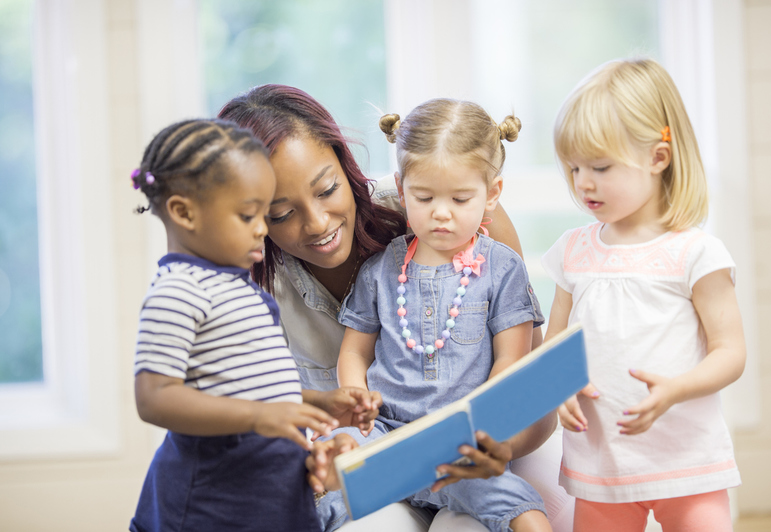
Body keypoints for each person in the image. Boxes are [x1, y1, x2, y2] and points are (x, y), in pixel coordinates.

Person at [218, 86, 573, 532]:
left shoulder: (480, 243)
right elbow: (338, 372)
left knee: (498, 516)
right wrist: (343, 428)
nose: (317, 224)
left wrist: (490, 434)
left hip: (476, 445)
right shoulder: (353, 275)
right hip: (384, 439)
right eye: (282, 213)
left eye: (327, 189)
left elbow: (527, 380)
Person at [129, 118, 378, 532]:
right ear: (183, 212)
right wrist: (259, 417)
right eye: (250, 215)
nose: (263, 230)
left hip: (274, 502)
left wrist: (318, 403)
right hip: (208, 508)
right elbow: (153, 398)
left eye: (267, 214)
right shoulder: (178, 291)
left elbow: (254, 388)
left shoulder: (239, 287)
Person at [327, 98, 551, 532]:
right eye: (424, 197)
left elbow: (513, 360)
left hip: (458, 444)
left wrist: (489, 426)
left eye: (460, 198)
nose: (441, 212)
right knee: (323, 481)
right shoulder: (379, 270)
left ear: (493, 194)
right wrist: (357, 404)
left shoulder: (503, 269)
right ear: (401, 186)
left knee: (525, 514)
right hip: (385, 436)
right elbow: (354, 353)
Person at [542, 58, 746, 532]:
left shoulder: (695, 253)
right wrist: (558, 386)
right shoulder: (573, 252)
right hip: (602, 465)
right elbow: (554, 346)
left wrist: (676, 389)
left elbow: (730, 353)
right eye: (573, 167)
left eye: (599, 166)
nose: (582, 183)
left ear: (658, 158)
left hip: (688, 460)